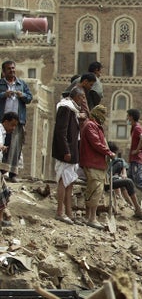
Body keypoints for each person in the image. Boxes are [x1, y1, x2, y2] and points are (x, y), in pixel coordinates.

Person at [51, 88, 85, 224]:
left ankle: (69, 213)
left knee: (70, 182)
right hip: (67, 151)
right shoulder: (65, 108)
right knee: (63, 181)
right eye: (82, 97)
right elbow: (61, 131)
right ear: (76, 97)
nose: (83, 100)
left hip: (73, 150)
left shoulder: (73, 110)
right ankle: (60, 211)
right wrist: (66, 151)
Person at [79, 105, 115, 230]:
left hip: (97, 163)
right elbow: (96, 143)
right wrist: (109, 152)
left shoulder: (94, 126)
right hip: (92, 162)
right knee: (95, 190)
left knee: (93, 190)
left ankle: (88, 216)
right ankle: (92, 218)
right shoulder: (90, 126)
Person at [0, 60, 33, 182]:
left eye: (13, 68)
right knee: (3, 144)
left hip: (17, 121)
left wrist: (22, 95)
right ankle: (2, 171)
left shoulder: (21, 84)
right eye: (9, 69)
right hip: (3, 121)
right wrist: (4, 94)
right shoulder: (1, 84)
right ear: (4, 71)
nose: (12, 71)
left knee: (15, 146)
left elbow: (29, 98)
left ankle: (13, 173)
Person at [107, 142, 142, 218]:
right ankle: (138, 209)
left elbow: (122, 164)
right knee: (128, 182)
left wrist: (123, 174)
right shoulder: (104, 159)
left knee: (123, 181)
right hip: (105, 182)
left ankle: (131, 204)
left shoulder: (116, 161)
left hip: (110, 181)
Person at [0, 112, 18, 227]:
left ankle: (1, 219)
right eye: (12, 125)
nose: (13, 128)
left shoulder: (4, 133)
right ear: (6, 122)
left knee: (4, 192)